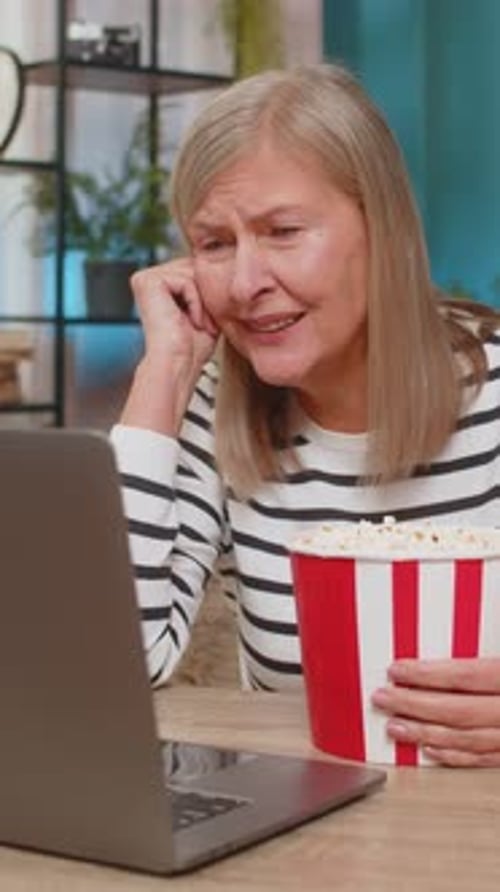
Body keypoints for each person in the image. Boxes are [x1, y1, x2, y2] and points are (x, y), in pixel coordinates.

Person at [110, 62, 500, 767]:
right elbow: (113, 666)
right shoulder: (211, 411)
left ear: (384, 231)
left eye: (283, 231)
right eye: (214, 244)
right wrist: (161, 374)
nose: (245, 283)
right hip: (308, 837)